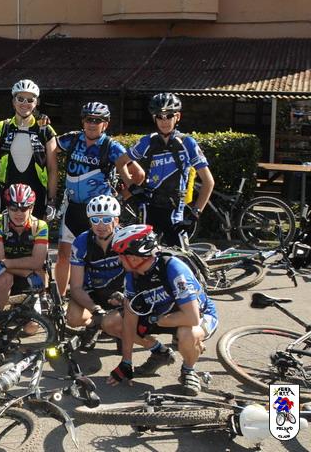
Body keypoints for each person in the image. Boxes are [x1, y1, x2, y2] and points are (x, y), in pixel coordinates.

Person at [105, 224, 219, 396]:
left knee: (188, 334)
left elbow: (192, 318)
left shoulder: (174, 269)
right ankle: (160, 353)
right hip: (160, 314)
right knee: (113, 322)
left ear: (134, 258)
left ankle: (188, 370)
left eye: (121, 256)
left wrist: (159, 320)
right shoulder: (132, 276)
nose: (119, 260)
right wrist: (126, 361)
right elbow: (129, 321)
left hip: (198, 315)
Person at [53, 102, 144, 294]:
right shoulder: (73, 139)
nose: (92, 124)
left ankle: (93, 297)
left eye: (98, 120)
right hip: (72, 207)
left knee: (95, 257)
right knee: (63, 256)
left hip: (98, 213)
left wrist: (122, 196)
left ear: (106, 124)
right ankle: (59, 301)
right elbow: (49, 145)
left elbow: (139, 175)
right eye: (89, 119)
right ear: (83, 121)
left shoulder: (112, 147)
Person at [128, 93, 214, 248]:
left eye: (169, 116)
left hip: (175, 211)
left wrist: (195, 214)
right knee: (145, 256)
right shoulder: (147, 141)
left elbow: (208, 182)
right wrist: (132, 186)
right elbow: (121, 162)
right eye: (159, 117)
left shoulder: (187, 143)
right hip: (149, 208)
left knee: (180, 257)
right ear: (154, 118)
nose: (164, 121)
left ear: (178, 117)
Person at [0, 80, 57, 219]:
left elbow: (53, 168)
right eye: (20, 99)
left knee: (37, 231)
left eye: (30, 100)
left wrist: (51, 201)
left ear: (36, 103)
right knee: (4, 231)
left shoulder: (45, 129)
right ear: (13, 101)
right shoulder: (1, 128)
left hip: (37, 193)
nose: (25, 103)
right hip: (6, 192)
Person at [67, 195, 125, 338]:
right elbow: (75, 287)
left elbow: (137, 277)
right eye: (95, 220)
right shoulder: (81, 242)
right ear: (90, 222)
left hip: (121, 294)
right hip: (93, 294)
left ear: (116, 221)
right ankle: (95, 325)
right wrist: (95, 310)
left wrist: (126, 298)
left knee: (113, 324)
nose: (100, 225)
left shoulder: (125, 240)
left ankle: (111, 325)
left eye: (106, 220)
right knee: (73, 318)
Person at [0, 184, 49, 312]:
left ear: (31, 208)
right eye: (14, 208)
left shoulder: (40, 226)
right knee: (5, 279)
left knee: (31, 326)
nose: (19, 213)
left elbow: (37, 263)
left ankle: (35, 306)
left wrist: (5, 263)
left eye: (24, 208)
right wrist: (27, 273)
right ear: (7, 208)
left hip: (29, 271)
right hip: (3, 272)